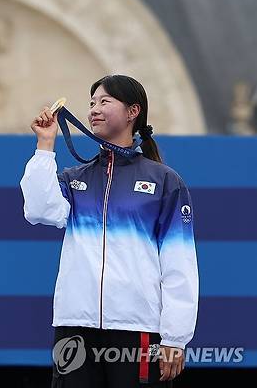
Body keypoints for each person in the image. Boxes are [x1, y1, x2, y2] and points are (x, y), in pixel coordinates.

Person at [20, 75, 198, 387]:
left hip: (138, 330)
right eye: (91, 103)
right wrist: (45, 145)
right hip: (74, 326)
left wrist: (175, 337)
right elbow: (38, 211)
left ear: (133, 112)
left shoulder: (165, 182)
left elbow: (179, 264)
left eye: (105, 102)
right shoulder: (75, 178)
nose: (94, 110)